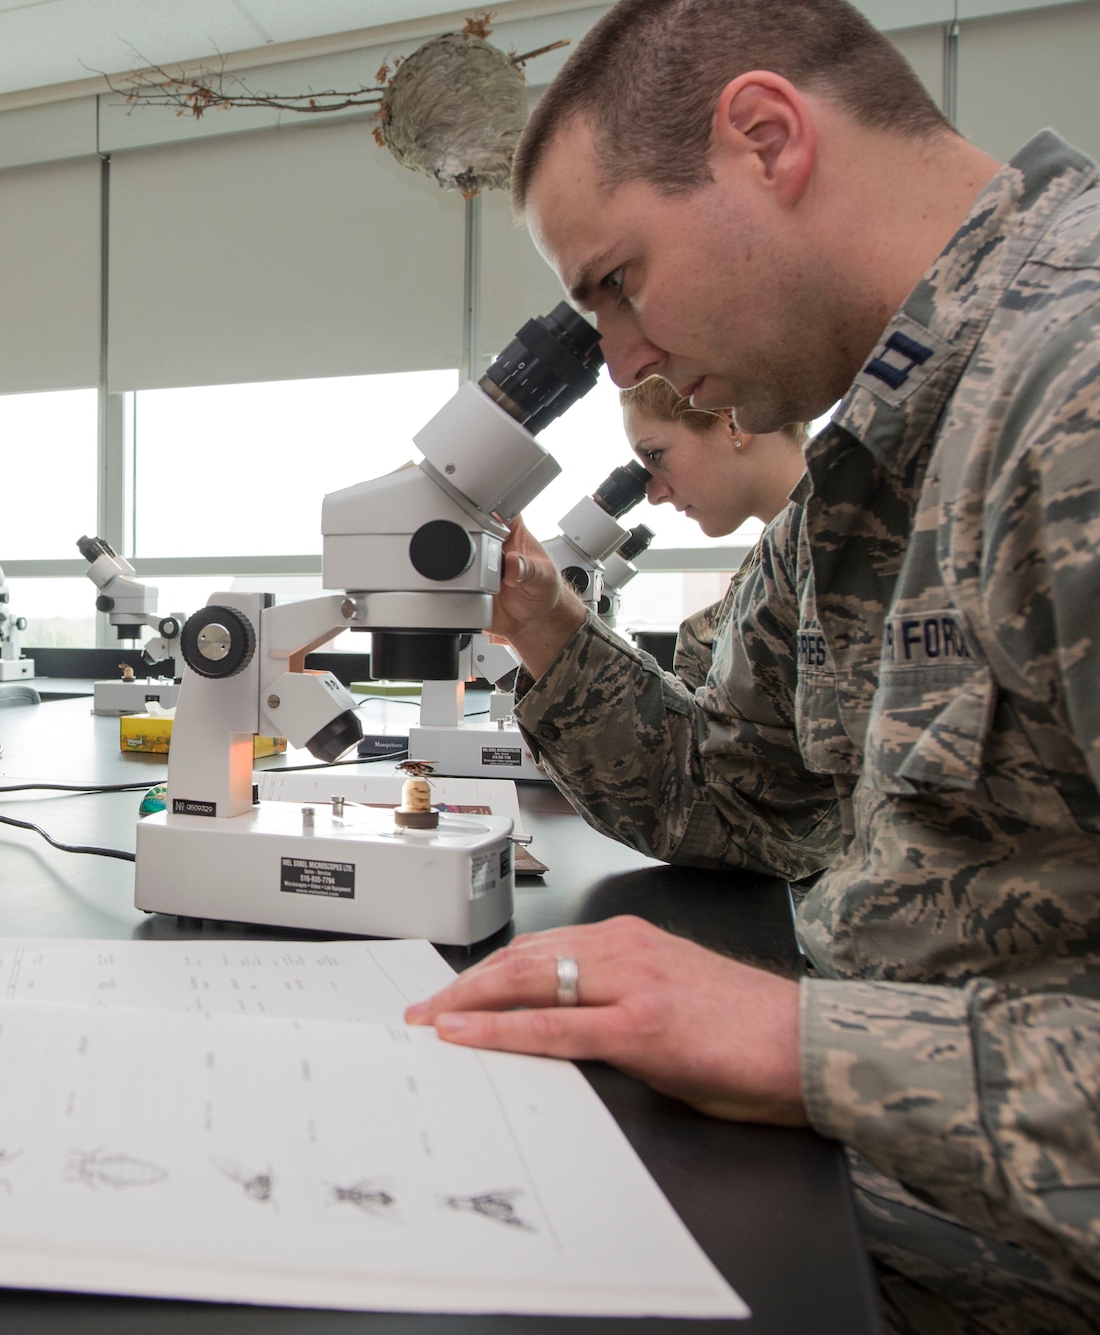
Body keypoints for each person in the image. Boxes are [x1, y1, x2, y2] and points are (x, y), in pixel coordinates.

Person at [402, 1, 1100, 1329]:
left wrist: (800, 1044)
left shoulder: (1072, 391)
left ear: (770, 140)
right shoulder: (873, 460)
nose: (624, 358)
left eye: (617, 281)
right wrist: (545, 620)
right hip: (853, 1161)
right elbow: (727, 790)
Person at [618, 375, 809, 688]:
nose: (655, 494)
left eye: (656, 455)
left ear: (733, 422)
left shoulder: (835, 542)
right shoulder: (774, 561)